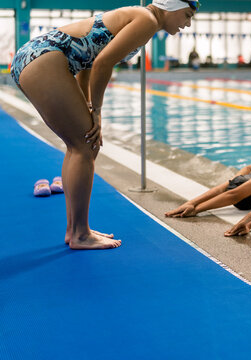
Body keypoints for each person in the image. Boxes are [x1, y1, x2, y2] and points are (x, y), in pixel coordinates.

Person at [10, 0, 200, 249]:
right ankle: (80, 234)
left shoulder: (138, 16)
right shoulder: (148, 20)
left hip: (37, 57)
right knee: (85, 146)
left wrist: (89, 108)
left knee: (80, 145)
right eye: (186, 15)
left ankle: (75, 230)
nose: (186, 24)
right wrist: (96, 113)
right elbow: (103, 64)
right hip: (44, 60)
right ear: (170, 7)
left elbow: (88, 62)